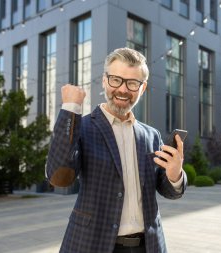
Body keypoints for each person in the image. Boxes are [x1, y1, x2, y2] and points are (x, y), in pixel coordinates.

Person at [45, 47, 187, 253]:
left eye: (132, 83)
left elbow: (168, 191)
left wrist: (175, 175)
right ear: (104, 80)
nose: (122, 89)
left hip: (148, 246)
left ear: (143, 88)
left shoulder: (151, 135)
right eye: (115, 80)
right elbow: (58, 177)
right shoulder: (82, 127)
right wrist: (70, 108)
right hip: (92, 244)